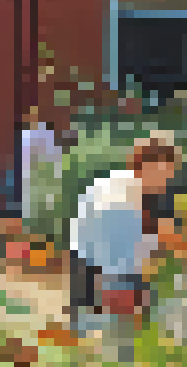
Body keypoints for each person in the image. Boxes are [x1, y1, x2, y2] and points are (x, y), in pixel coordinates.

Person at [68, 133, 179, 336]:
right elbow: (110, 253)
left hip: (106, 267)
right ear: (142, 167)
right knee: (109, 330)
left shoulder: (141, 192)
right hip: (93, 270)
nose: (165, 183)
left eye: (168, 176)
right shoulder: (119, 197)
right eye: (161, 174)